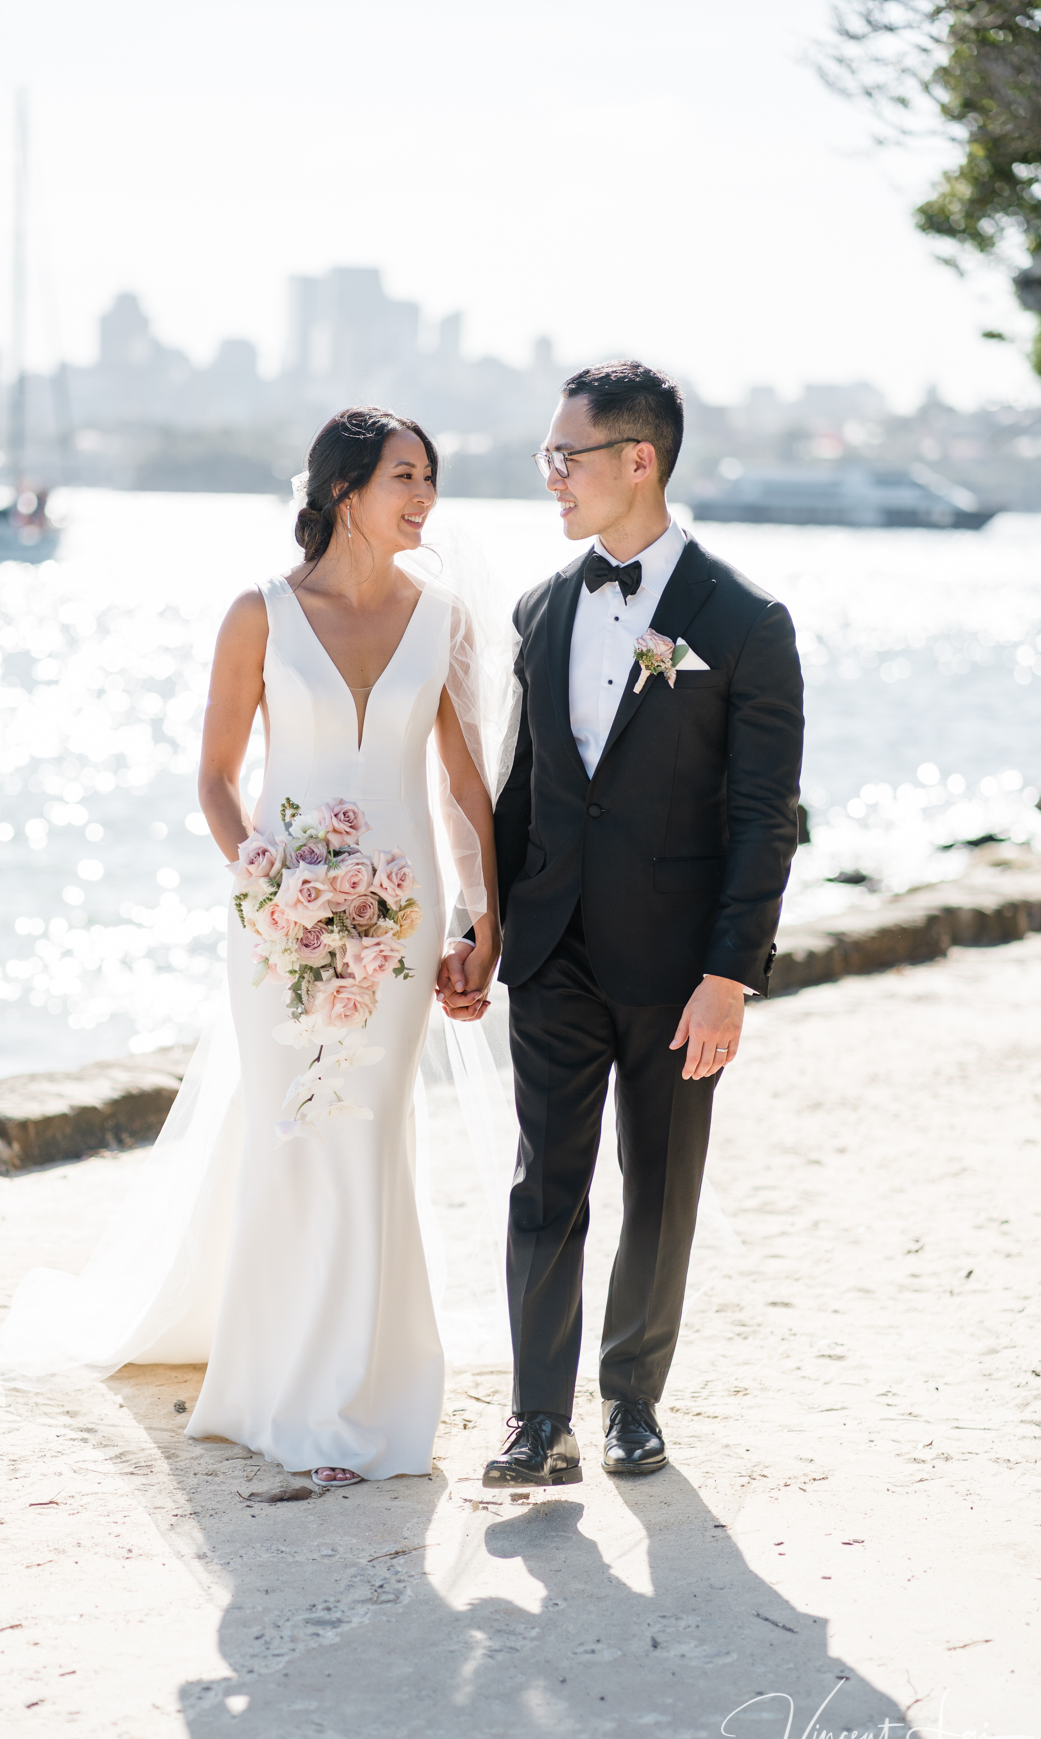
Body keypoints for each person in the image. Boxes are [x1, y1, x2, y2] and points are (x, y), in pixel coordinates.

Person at [0, 407, 502, 1490]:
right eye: (405, 476)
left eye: (431, 478)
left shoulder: (442, 617)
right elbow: (217, 780)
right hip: (280, 928)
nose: (425, 497)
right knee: (292, 1129)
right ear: (343, 488)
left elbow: (462, 784)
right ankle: (282, 1388)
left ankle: (364, 1388)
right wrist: (272, 886)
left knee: (368, 1135)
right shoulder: (259, 613)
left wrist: (478, 916)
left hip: (405, 922)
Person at [439, 362, 804, 1488]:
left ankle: (631, 1400)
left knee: (661, 1183)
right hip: (552, 952)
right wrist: (483, 922)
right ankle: (536, 1416)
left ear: (636, 460)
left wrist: (729, 975)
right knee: (544, 1182)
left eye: (568, 454)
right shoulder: (542, 606)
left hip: (678, 965)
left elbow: (763, 816)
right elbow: (522, 784)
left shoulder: (743, 621)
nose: (551, 475)